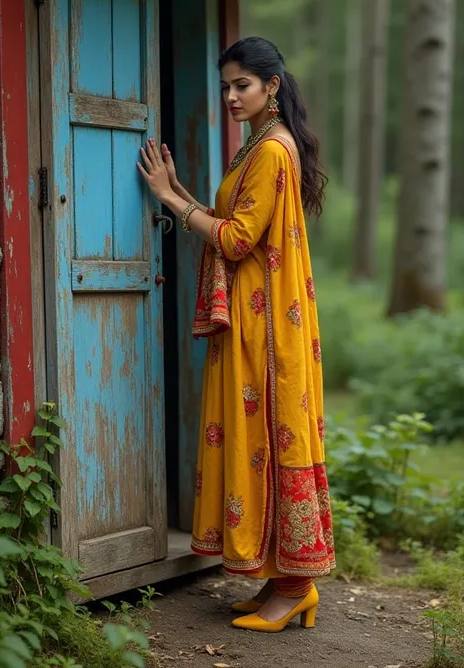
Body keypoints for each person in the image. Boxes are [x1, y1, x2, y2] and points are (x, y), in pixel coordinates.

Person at [137, 36, 335, 632]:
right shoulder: (258, 147)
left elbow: (235, 240)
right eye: (225, 85)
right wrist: (181, 192)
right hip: (258, 318)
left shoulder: (272, 151)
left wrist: (170, 199)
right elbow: (233, 224)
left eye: (241, 84)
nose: (230, 95)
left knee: (274, 435)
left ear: (272, 86)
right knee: (263, 436)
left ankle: (295, 585)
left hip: (268, 328)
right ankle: (284, 583)